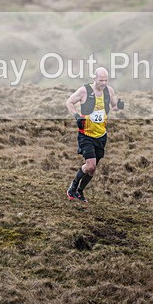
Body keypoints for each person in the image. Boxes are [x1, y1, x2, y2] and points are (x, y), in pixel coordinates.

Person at [65, 67, 124, 203]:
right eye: (100, 80)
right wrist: (77, 116)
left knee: (93, 169)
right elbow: (69, 102)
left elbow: (114, 106)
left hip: (101, 135)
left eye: (105, 80)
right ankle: (72, 187)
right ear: (95, 78)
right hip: (86, 134)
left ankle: (79, 192)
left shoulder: (109, 91)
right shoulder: (84, 91)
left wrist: (119, 106)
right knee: (90, 166)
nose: (103, 83)